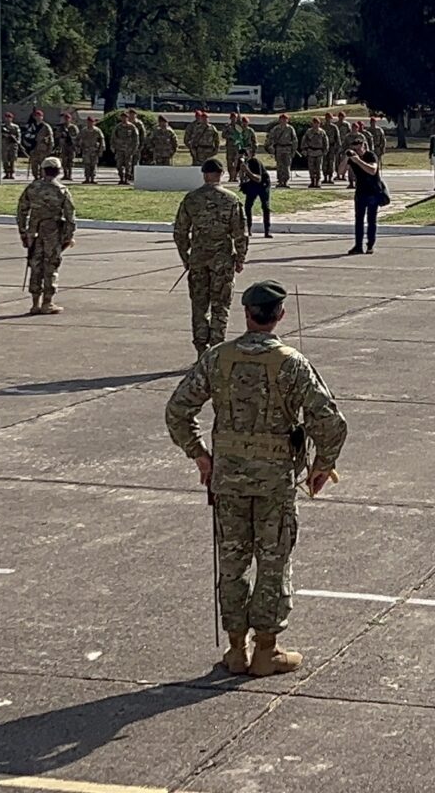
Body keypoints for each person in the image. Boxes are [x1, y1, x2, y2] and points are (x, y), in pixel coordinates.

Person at [164, 280, 348, 680]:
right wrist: (321, 465)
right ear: (279, 315)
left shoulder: (218, 358)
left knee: (232, 562)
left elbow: (178, 410)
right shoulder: (291, 363)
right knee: (273, 562)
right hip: (274, 483)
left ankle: (236, 650)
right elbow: (330, 421)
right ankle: (266, 651)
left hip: (228, 481)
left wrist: (200, 455)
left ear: (246, 314)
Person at [174, 159, 250, 354]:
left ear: (204, 174)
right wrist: (240, 258)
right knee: (220, 305)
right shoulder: (231, 200)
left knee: (199, 305)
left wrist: (185, 256)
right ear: (221, 174)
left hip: (198, 259)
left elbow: (180, 231)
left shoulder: (191, 199)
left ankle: (201, 348)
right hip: (222, 260)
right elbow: (240, 233)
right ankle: (216, 348)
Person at [16, 157, 77, 315]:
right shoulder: (61, 190)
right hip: (53, 233)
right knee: (51, 265)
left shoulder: (32, 188)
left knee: (35, 265)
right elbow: (70, 217)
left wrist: (23, 232)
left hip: (34, 232)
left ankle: (35, 303)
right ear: (58, 172)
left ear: (43, 170)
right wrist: (68, 237)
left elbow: (22, 211)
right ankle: (47, 303)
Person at [348, 141, 388, 255]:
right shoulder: (353, 158)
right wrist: (346, 159)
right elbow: (340, 171)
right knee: (358, 220)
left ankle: (370, 245)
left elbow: (372, 171)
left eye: (358, 149)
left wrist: (358, 161)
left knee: (371, 220)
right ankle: (358, 246)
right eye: (354, 149)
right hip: (360, 192)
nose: (357, 152)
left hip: (373, 192)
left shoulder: (370, 155)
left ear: (364, 147)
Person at [239, 153, 274, 238]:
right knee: (247, 206)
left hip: (263, 184)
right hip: (252, 184)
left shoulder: (255, 162)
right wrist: (241, 171)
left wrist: (247, 170)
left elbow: (258, 179)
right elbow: (242, 178)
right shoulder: (242, 163)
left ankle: (267, 231)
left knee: (265, 206)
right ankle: (249, 229)